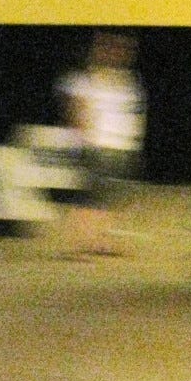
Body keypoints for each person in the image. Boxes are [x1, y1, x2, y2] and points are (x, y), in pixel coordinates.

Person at [56, 30, 146, 257]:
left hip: (121, 146)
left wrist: (133, 142)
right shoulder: (84, 78)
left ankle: (101, 243)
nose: (120, 53)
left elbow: (134, 114)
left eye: (125, 49)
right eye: (113, 47)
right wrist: (84, 139)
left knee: (110, 199)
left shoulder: (126, 80)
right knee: (89, 199)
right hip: (95, 145)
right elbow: (76, 109)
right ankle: (78, 245)